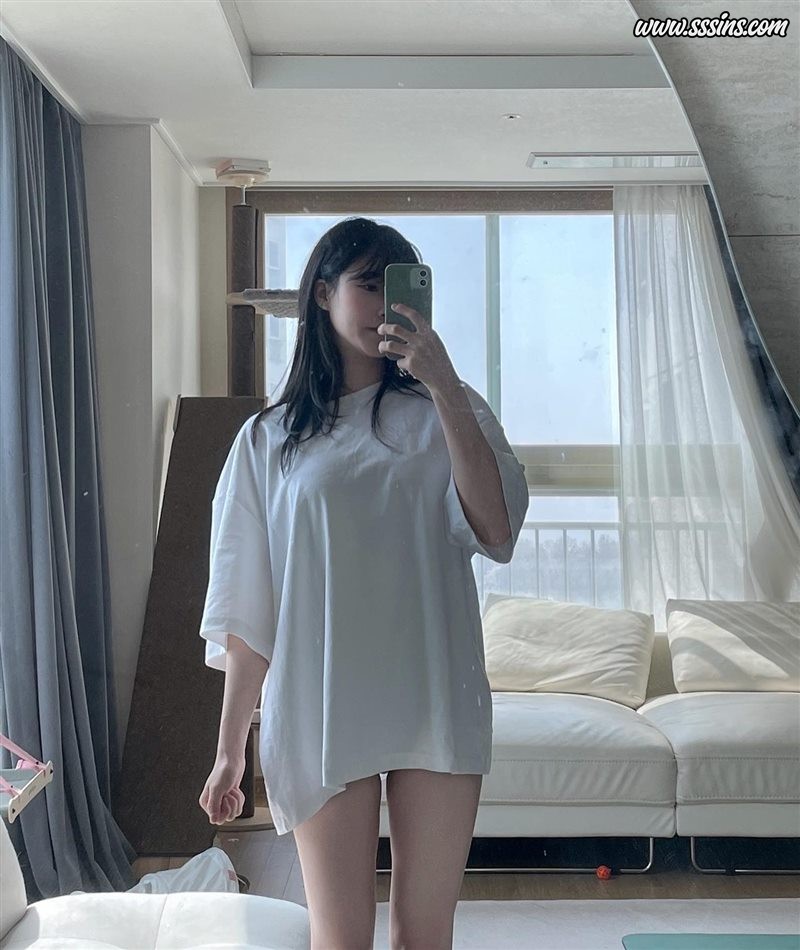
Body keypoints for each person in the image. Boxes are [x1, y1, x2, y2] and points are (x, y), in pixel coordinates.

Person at [197, 217, 528, 950]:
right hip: (320, 700)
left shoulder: (450, 409)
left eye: (401, 287)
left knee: (423, 936)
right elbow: (248, 605)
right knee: (340, 937)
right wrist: (229, 749)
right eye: (369, 285)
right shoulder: (268, 439)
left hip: (435, 690)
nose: (386, 305)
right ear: (322, 294)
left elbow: (496, 528)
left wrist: (443, 384)